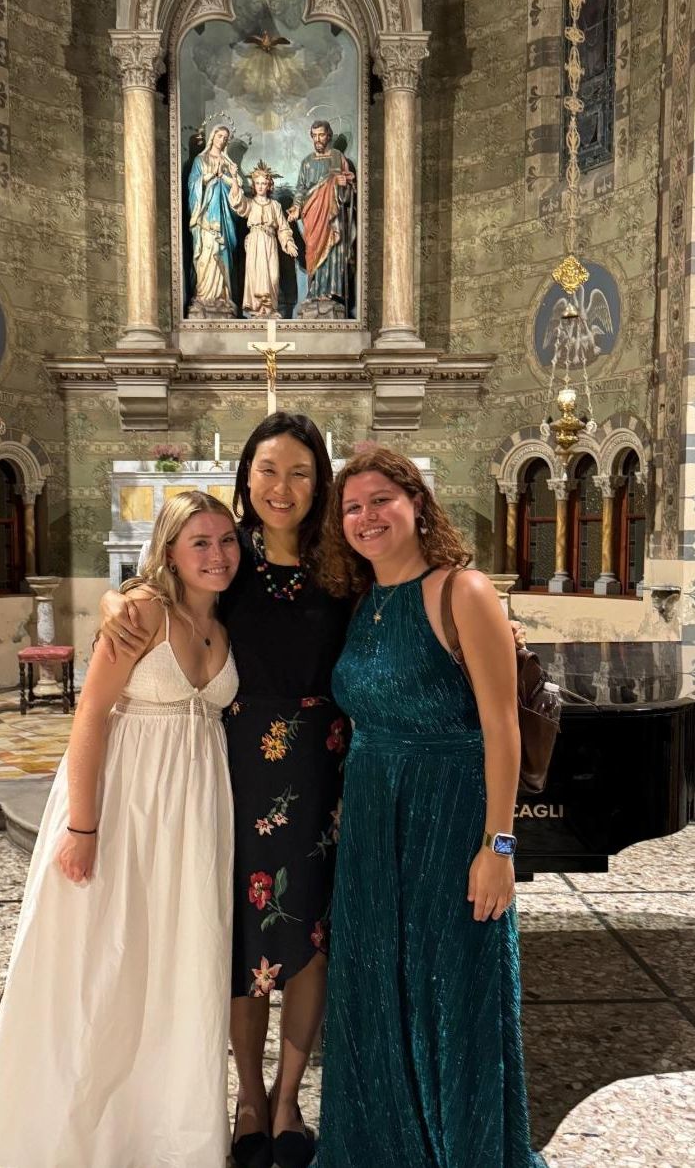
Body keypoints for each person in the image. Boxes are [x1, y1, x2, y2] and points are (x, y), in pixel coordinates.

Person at [100, 413, 351, 1168]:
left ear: (321, 481)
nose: (284, 486)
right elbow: (157, 591)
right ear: (245, 477)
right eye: (269, 469)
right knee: (244, 940)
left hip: (321, 769)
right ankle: (245, 1096)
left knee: (307, 942)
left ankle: (287, 1099)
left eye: (301, 471)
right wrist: (118, 603)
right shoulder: (227, 556)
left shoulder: (344, 562)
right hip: (233, 766)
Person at [0, 491, 241, 1168]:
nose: (217, 554)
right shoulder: (144, 612)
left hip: (195, 811)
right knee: (105, 964)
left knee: (180, 963)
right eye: (199, 541)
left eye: (227, 539)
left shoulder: (231, 621)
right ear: (170, 550)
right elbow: (89, 717)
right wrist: (82, 826)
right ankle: (77, 1131)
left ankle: (166, 1133)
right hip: (124, 806)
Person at [314, 447, 545, 1168]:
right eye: (352, 506)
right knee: (377, 987)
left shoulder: (462, 590)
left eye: (381, 498)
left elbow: (502, 726)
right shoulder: (362, 603)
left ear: (417, 502)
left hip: (452, 817)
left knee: (456, 991)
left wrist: (499, 846)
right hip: (373, 822)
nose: (366, 516)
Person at [287, 120, 355, 313]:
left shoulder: (337, 157)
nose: (318, 139)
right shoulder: (307, 162)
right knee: (313, 250)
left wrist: (343, 184)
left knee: (332, 250)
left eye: (321, 135)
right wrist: (295, 207)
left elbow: (349, 191)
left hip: (332, 215)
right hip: (313, 214)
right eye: (314, 135)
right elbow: (300, 189)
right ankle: (314, 291)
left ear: (329, 136)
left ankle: (329, 292)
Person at [230, 159, 298, 316]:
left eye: (263, 183)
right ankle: (259, 310)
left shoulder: (275, 206)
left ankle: (270, 308)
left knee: (273, 277)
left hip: (270, 242)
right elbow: (236, 202)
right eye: (258, 183)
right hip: (255, 241)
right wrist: (234, 178)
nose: (261, 186)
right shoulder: (250, 203)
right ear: (254, 185)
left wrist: (288, 242)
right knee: (256, 276)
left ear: (269, 185)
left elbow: (283, 228)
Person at [188, 124, 241, 314]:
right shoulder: (200, 160)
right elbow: (193, 186)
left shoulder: (228, 163)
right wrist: (210, 176)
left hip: (223, 218)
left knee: (222, 252)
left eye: (226, 138)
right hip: (205, 217)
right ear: (213, 137)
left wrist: (230, 177)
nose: (223, 140)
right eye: (220, 136)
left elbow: (236, 195)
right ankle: (204, 296)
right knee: (207, 254)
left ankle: (222, 296)